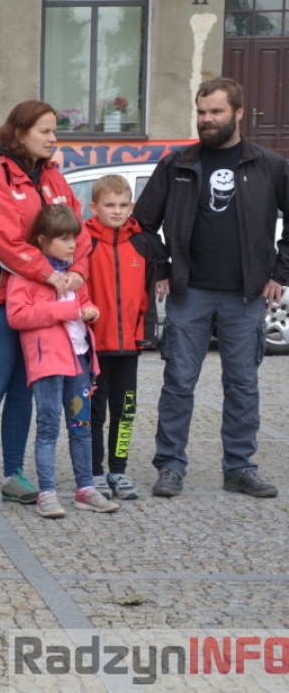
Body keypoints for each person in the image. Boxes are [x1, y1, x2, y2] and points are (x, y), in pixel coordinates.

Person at [133, 77, 289, 499]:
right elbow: (141, 225)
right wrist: (163, 265)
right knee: (178, 383)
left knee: (242, 385)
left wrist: (280, 271)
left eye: (216, 112)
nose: (207, 120)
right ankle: (170, 466)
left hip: (246, 296)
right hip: (189, 294)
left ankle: (239, 467)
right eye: (202, 112)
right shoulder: (177, 165)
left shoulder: (270, 166)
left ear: (238, 113)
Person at [0, 100, 92, 508]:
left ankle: (13, 474)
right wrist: (48, 273)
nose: (54, 138)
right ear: (20, 134)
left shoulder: (51, 176)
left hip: (41, 301)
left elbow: (78, 233)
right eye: (45, 131)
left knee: (23, 387)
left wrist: (79, 272)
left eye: (55, 130)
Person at [7, 205, 118, 518]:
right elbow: (18, 316)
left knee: (80, 425)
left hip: (78, 360)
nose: (72, 245)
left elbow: (82, 302)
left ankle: (84, 488)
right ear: (43, 240)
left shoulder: (73, 275)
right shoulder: (28, 273)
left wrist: (90, 308)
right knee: (47, 427)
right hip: (48, 364)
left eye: (74, 238)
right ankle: (47, 492)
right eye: (64, 239)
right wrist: (68, 312)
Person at [84, 174, 166, 502]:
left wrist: (144, 336)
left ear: (131, 206)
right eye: (109, 205)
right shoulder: (84, 242)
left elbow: (149, 294)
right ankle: (92, 471)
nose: (116, 211)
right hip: (94, 348)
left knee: (126, 410)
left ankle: (118, 469)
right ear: (94, 207)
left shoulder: (142, 243)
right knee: (94, 413)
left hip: (128, 348)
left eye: (122, 205)